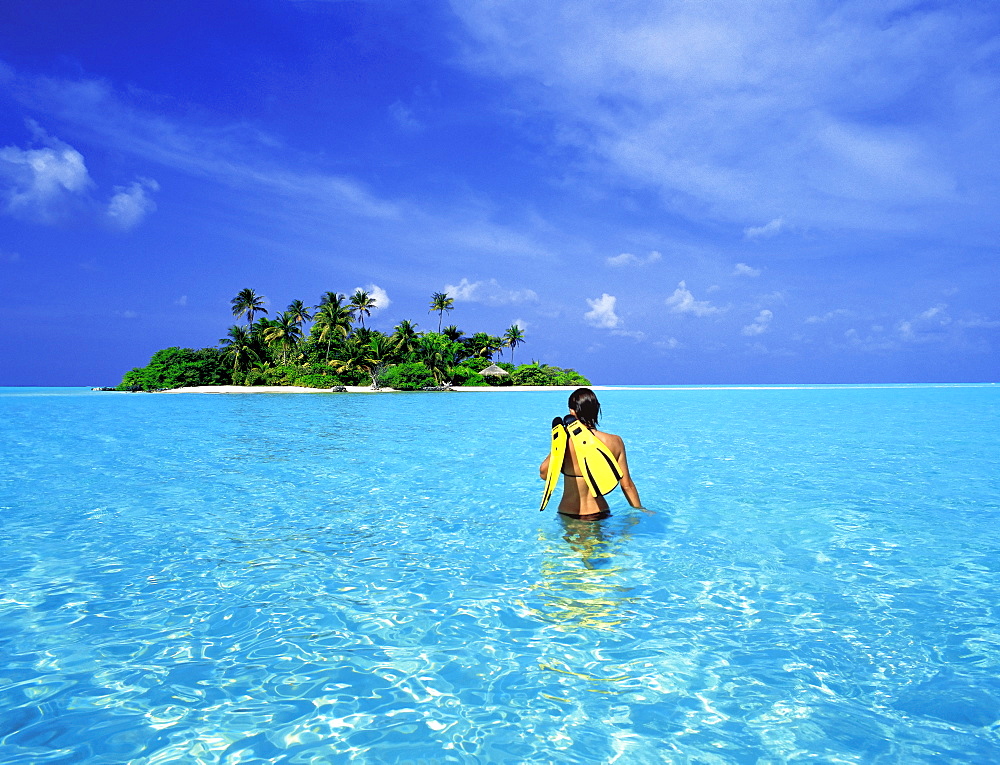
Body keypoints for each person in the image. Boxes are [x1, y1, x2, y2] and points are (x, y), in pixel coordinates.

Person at [539, 388, 642, 520]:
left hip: (568, 513)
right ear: (597, 410)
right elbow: (626, 485)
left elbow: (544, 474)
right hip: (599, 512)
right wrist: (640, 510)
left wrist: (558, 445)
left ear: (572, 411)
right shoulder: (615, 441)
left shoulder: (564, 442)